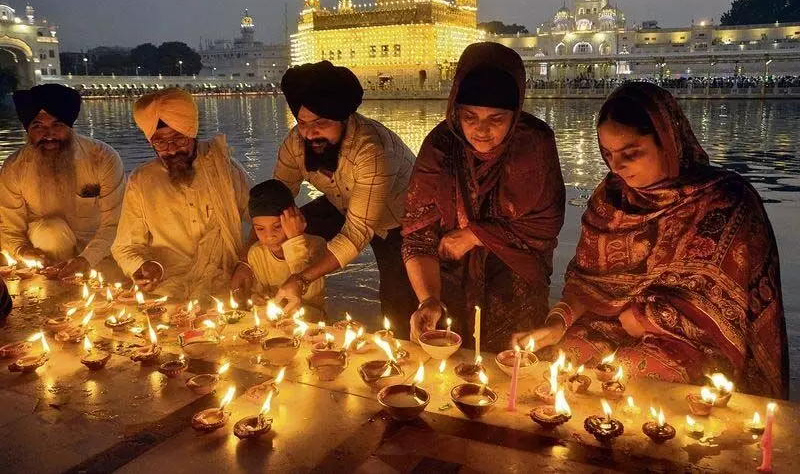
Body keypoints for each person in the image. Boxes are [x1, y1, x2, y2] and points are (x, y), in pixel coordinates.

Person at [517, 81, 789, 399]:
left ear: (667, 142)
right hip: (612, 323)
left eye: (631, 153)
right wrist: (558, 322)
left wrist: (650, 319)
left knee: (631, 376)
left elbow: (733, 313)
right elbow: (588, 286)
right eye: (607, 154)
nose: (617, 167)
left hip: (695, 343)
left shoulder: (725, 201)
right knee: (565, 362)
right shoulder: (611, 198)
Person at [231, 61, 417, 336]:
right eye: (303, 123)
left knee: (398, 299)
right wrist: (246, 263)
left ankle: (404, 356)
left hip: (400, 219)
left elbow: (356, 233)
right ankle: (288, 306)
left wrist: (302, 277)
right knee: (284, 231)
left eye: (321, 123)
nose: (310, 133)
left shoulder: (372, 149)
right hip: (339, 204)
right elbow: (272, 204)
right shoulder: (297, 143)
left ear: (344, 119)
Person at [403, 42, 566, 353]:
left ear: (515, 114)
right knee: (451, 370)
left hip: (516, 281)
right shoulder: (441, 145)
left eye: (496, 119)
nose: (481, 130)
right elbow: (417, 233)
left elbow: (544, 227)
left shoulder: (534, 144)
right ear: (456, 110)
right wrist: (429, 299)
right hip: (449, 280)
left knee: (514, 371)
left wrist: (476, 235)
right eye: (469, 116)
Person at [111, 88, 251, 301]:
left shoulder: (225, 170)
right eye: (160, 142)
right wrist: (145, 266)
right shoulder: (141, 180)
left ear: (192, 133)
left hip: (226, 279)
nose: (172, 149)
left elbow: (260, 221)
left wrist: (245, 264)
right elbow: (125, 247)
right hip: (167, 285)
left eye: (179, 139)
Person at [0, 84, 125, 277]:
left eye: (57, 125)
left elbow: (114, 223)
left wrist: (86, 259)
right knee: (52, 230)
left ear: (70, 126)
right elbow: (9, 227)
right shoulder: (14, 168)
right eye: (38, 126)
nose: (48, 135)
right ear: (28, 130)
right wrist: (22, 251)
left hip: (98, 248)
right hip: (46, 251)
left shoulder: (102, 158)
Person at [246, 179, 327, 322]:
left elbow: (310, 292)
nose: (269, 236)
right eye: (260, 229)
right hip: (276, 323)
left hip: (309, 324)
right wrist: (257, 298)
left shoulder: (316, 245)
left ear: (294, 218)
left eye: (277, 226)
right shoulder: (256, 253)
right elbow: (257, 291)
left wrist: (295, 240)